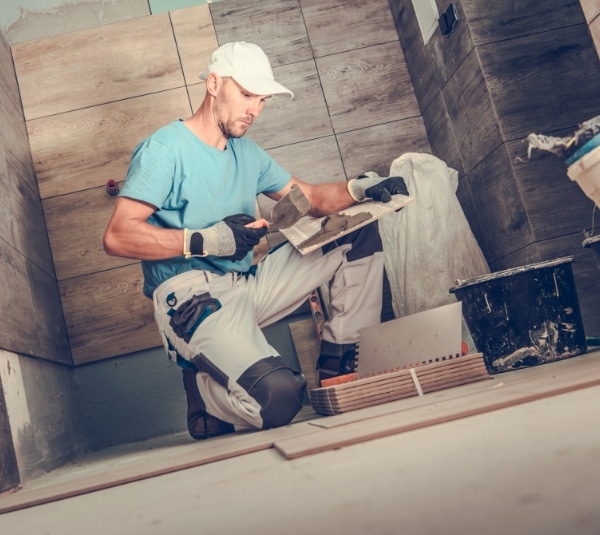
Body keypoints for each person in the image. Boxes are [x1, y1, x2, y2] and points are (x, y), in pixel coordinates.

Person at [103, 41, 408, 440]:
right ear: (214, 84)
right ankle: (203, 394)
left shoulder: (248, 153)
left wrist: (361, 189)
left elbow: (311, 199)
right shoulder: (165, 150)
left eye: (261, 99)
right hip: (192, 298)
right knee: (280, 398)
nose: (255, 110)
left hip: (248, 284)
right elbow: (118, 235)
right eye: (246, 95)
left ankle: (340, 366)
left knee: (355, 233)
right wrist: (208, 240)